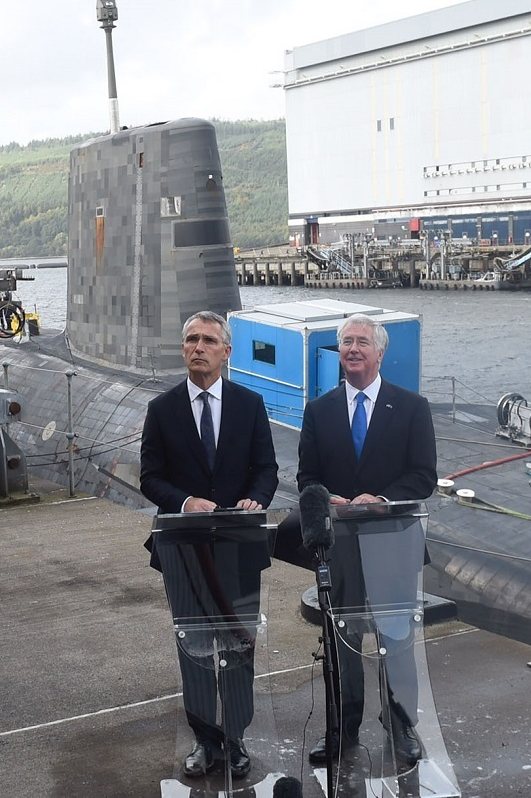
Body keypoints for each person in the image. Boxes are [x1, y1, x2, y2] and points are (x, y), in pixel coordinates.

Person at [140, 310, 279, 780]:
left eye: (208, 340)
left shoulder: (250, 404)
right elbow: (150, 477)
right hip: (183, 551)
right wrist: (184, 500)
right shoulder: (162, 410)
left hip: (238, 546)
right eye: (191, 340)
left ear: (226, 352)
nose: (198, 347)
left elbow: (267, 469)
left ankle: (236, 738)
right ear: (183, 349)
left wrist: (255, 499)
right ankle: (204, 740)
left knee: (240, 644)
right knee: (194, 646)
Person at [297, 313, 437, 767]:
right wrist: (328, 497)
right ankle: (342, 730)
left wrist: (382, 498)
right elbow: (306, 476)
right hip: (340, 546)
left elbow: (423, 475)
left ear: (379, 353)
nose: (353, 349)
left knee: (396, 640)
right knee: (342, 642)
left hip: (394, 541)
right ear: (339, 352)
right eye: (346, 342)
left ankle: (400, 726)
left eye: (361, 342)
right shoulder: (319, 411)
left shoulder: (412, 407)